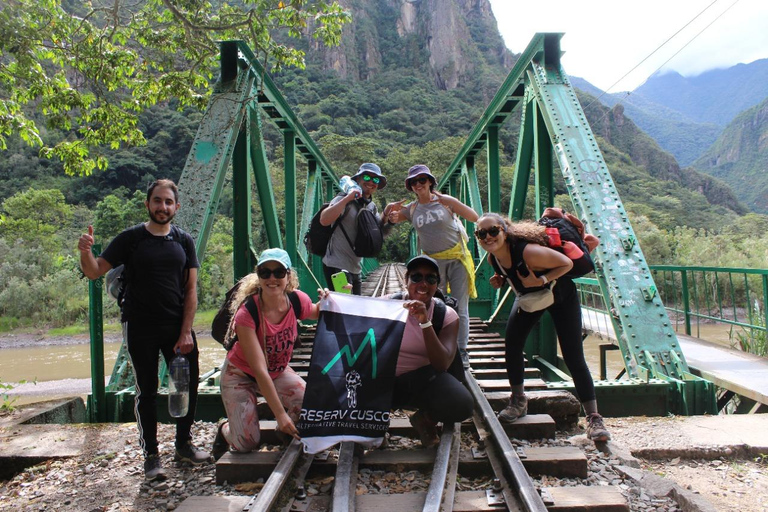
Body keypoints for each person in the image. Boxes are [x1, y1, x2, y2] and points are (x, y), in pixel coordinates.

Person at [78, 179, 210, 481]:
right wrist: (85, 251)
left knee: (185, 388)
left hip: (177, 326)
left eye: (168, 202)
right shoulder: (131, 238)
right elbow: (94, 271)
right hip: (140, 326)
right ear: (148, 204)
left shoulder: (184, 241)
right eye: (157, 201)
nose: (162, 207)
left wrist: (187, 331)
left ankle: (183, 445)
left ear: (176, 207)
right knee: (147, 392)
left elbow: (191, 290)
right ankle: (151, 456)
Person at [474, 212, 610, 442]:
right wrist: (500, 278)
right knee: (513, 344)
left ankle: (594, 418)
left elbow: (566, 263)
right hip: (531, 298)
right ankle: (518, 401)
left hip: (560, 295)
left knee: (573, 355)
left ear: (504, 230)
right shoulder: (493, 258)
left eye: (493, 231)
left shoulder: (529, 251)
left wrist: (542, 280)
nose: (488, 237)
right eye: (481, 233)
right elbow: (511, 273)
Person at [211, 249, 326, 460]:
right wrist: (280, 414)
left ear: (288, 276)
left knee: (310, 407)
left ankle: (283, 432)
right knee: (246, 443)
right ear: (259, 275)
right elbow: (259, 370)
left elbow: (317, 311)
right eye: (265, 272)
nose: (272, 278)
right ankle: (225, 430)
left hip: (277, 371)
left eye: (279, 272)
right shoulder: (247, 314)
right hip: (241, 375)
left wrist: (334, 297)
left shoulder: (296, 300)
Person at [386, 165, 479, 367]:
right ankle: (441, 347)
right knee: (439, 305)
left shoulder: (445, 202)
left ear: (430, 181)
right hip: (432, 266)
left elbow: (474, 217)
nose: (418, 184)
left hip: (457, 259)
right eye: (414, 182)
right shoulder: (412, 209)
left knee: (460, 306)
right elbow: (393, 218)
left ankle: (461, 350)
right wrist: (391, 216)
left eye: (422, 180)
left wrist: (453, 202)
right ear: (410, 186)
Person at [388, 255, 474, 448]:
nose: (423, 283)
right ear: (406, 280)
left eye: (431, 279)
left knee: (462, 405)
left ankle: (425, 419)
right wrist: (336, 299)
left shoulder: (446, 315)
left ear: (437, 284)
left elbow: (442, 363)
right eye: (416, 277)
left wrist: (425, 322)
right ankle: (374, 422)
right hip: (384, 381)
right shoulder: (386, 305)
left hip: (421, 381)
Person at [320, 163, 395, 295]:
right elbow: (324, 220)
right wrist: (348, 198)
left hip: (356, 268)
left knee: (354, 310)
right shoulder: (343, 198)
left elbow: (378, 235)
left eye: (376, 180)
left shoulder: (371, 206)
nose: (371, 182)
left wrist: (389, 220)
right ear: (358, 179)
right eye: (367, 177)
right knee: (343, 310)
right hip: (337, 266)